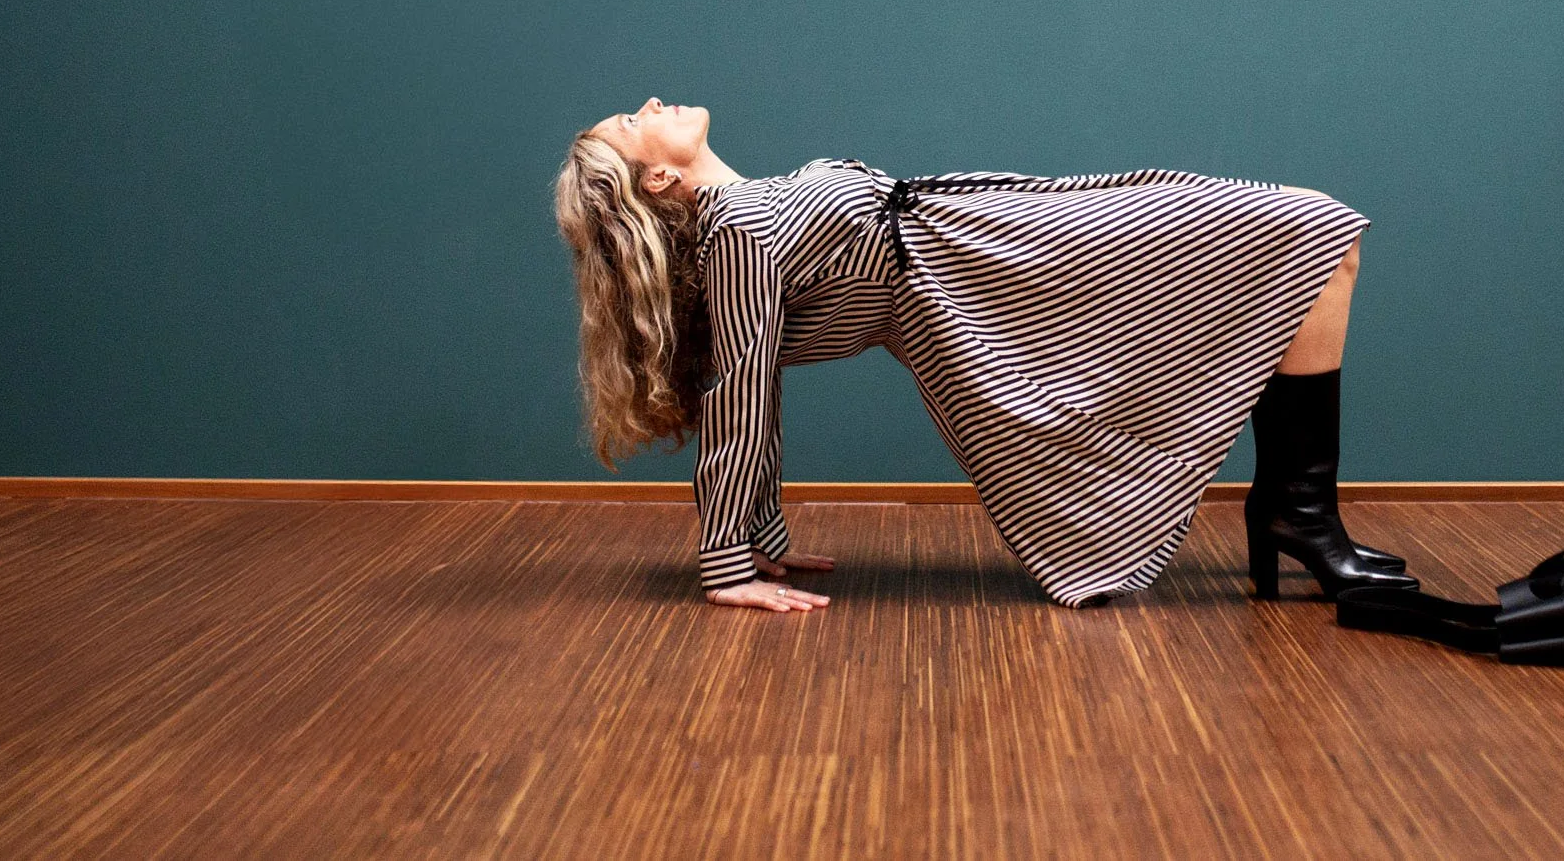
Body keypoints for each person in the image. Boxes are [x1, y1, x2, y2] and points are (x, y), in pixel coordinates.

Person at [554, 99, 1411, 615]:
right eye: (635, 121)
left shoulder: (751, 209)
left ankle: (1296, 514)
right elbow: (742, 392)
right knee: (1308, 229)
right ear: (658, 181)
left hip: (992, 234)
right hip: (985, 278)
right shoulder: (738, 233)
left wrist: (765, 532)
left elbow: (753, 381)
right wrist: (729, 564)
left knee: (1311, 236)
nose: (654, 102)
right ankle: (1302, 518)